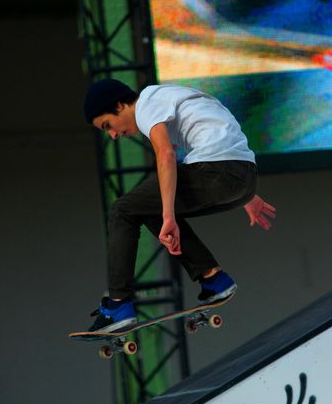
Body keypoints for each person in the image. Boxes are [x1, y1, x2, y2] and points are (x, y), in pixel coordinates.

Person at [83, 79, 276, 332]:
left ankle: (118, 304)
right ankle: (213, 279)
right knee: (147, 205)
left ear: (120, 105)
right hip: (244, 176)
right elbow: (217, 126)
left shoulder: (146, 104)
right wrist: (246, 194)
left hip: (217, 171)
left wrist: (169, 216)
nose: (114, 135)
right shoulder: (171, 96)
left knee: (124, 210)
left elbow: (166, 155)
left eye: (108, 125)